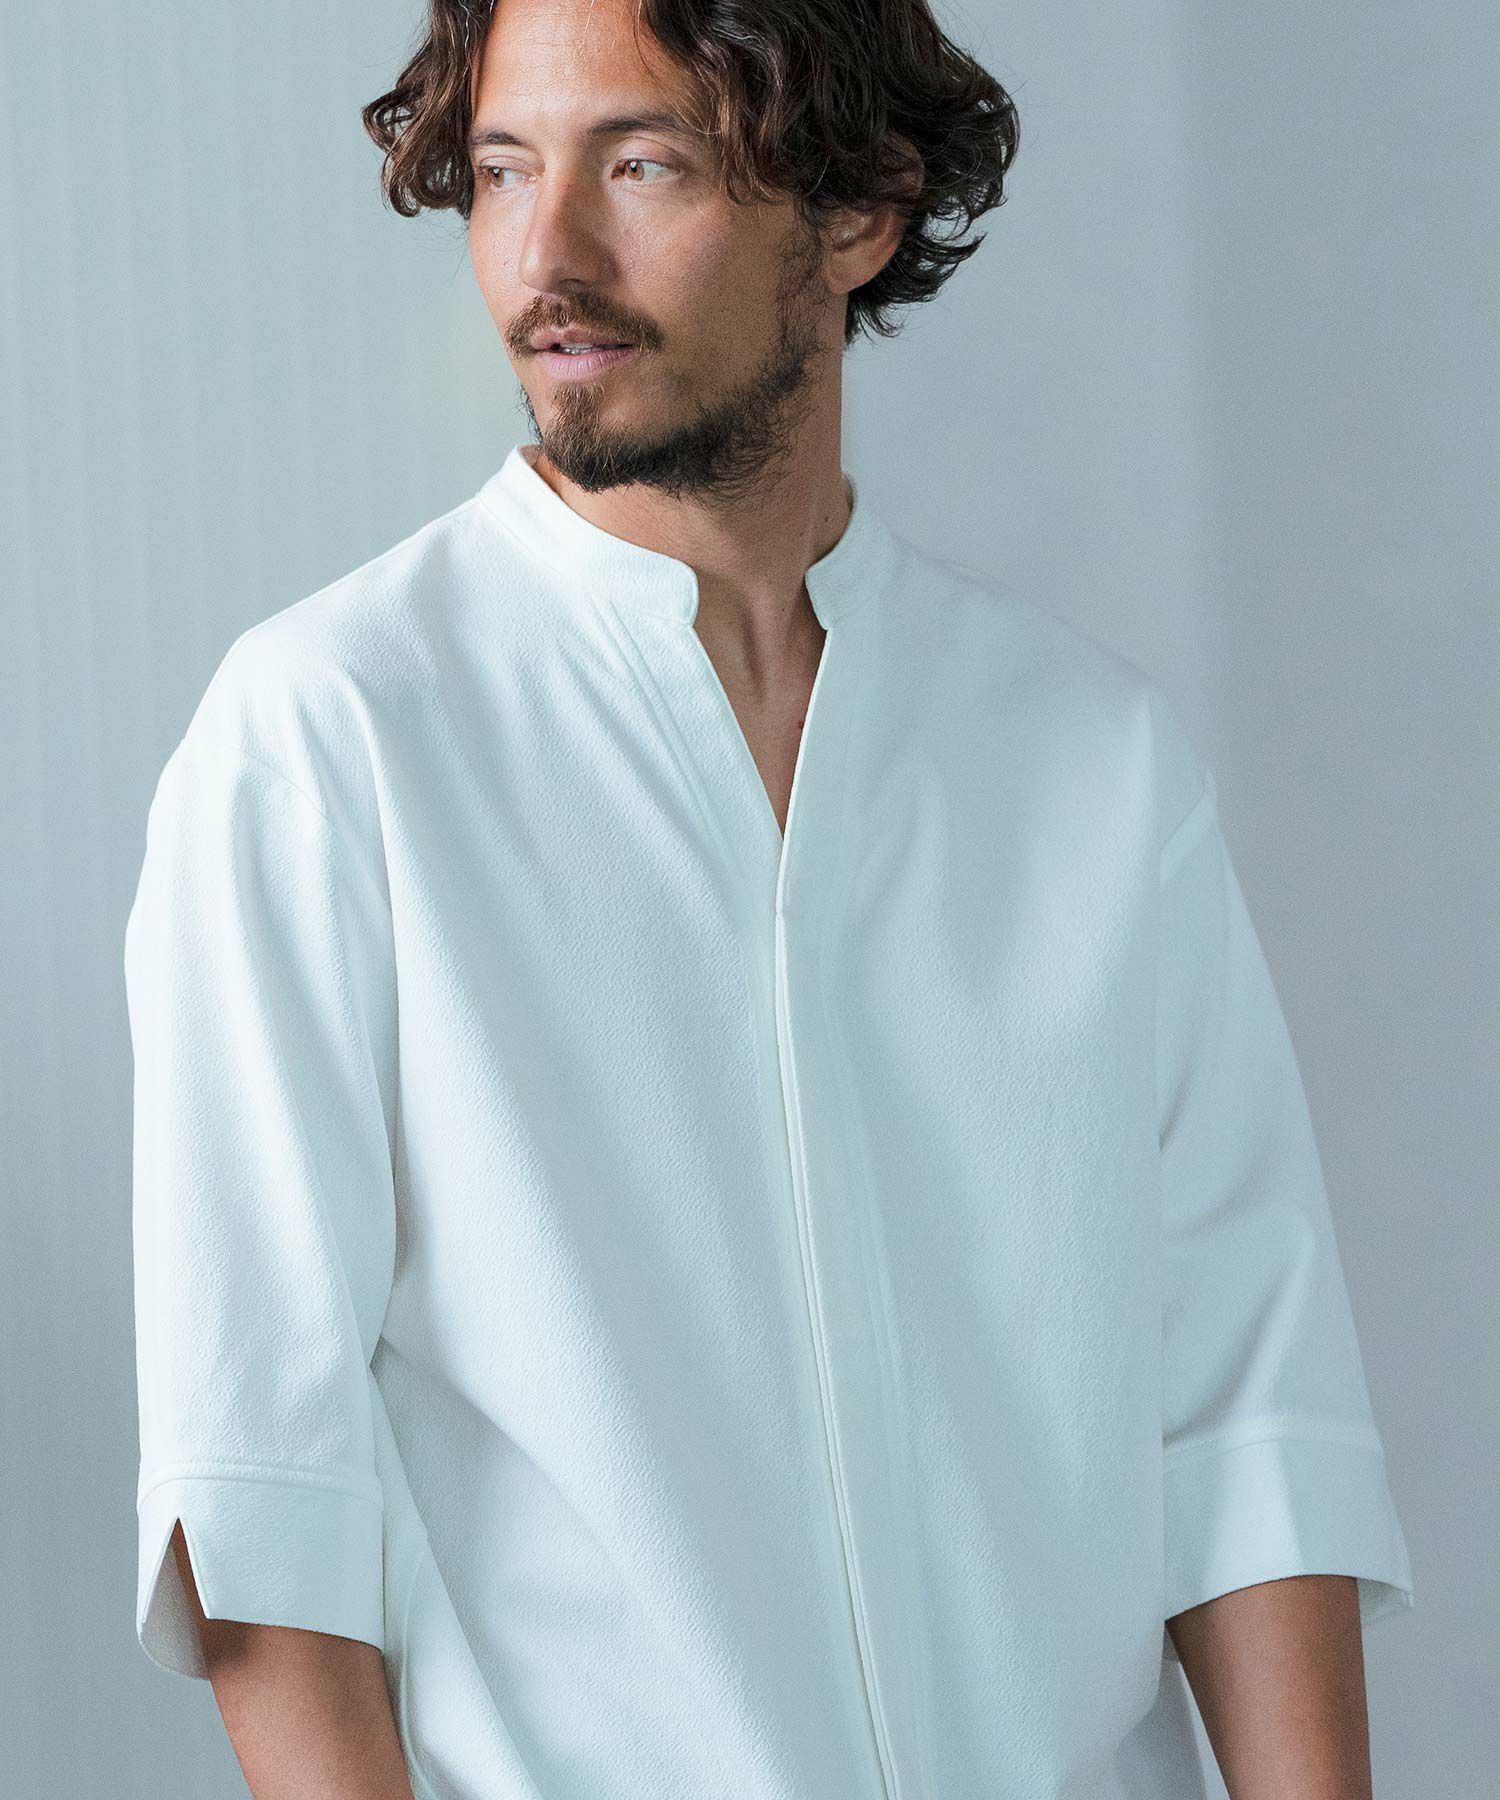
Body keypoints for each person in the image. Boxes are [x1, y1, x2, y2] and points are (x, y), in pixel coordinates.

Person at [123, 1, 1415, 1796]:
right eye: (503, 169)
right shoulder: (330, 741)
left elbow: (1249, 1435)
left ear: (860, 208)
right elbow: (265, 1508)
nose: (546, 258)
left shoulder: (1090, 764)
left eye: (642, 163)